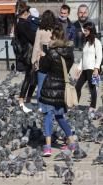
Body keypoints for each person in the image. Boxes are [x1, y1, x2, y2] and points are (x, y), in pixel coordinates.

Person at [39, 23, 76, 156]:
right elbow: (67, 67)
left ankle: (48, 146)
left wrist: (43, 56)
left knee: (48, 116)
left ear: (55, 37)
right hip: (62, 88)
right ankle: (72, 142)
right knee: (60, 116)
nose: (50, 40)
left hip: (50, 88)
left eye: (51, 37)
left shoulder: (51, 53)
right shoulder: (70, 53)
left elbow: (43, 69)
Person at [75, 22, 102, 113]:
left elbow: (100, 56)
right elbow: (83, 57)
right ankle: (75, 104)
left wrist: (96, 68)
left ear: (90, 30)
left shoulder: (96, 42)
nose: (84, 32)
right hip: (85, 69)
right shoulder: (86, 42)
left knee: (92, 88)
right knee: (77, 87)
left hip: (92, 69)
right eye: (84, 30)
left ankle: (93, 107)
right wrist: (79, 68)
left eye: (86, 30)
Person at [15, 1, 37, 112]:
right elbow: (33, 38)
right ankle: (22, 101)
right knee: (29, 78)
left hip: (26, 52)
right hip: (29, 53)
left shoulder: (19, 23)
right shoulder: (24, 24)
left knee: (33, 78)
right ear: (26, 12)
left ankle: (26, 100)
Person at [31, 10, 56, 107]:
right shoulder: (55, 30)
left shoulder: (40, 30)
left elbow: (36, 47)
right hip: (54, 58)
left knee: (41, 83)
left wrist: (34, 61)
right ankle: (52, 104)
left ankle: (41, 105)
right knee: (53, 83)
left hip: (43, 58)